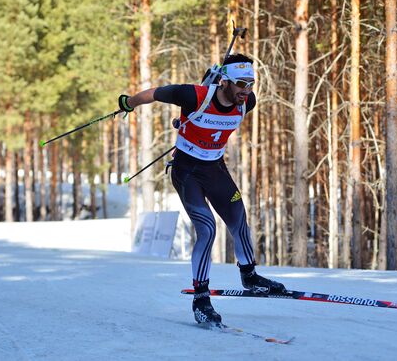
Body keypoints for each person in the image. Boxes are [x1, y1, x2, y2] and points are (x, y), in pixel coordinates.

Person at [118, 53, 286, 325]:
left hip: (215, 169)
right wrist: (129, 103)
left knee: (238, 217)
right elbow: (156, 93)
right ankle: (201, 298)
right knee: (207, 228)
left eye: (251, 83)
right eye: (241, 83)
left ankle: (250, 276)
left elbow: (209, 122)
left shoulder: (247, 102)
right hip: (187, 172)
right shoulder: (194, 95)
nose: (247, 90)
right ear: (224, 82)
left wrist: (187, 122)